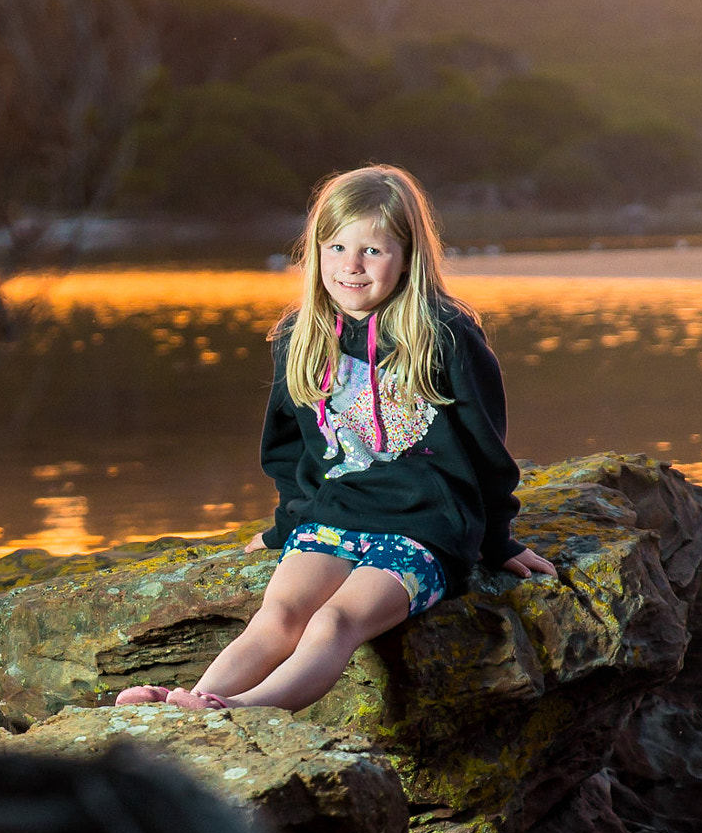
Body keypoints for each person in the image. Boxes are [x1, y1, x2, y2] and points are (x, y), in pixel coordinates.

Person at [118, 165, 554, 712]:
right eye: (337, 246)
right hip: (336, 513)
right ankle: (201, 700)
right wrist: (286, 525)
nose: (351, 265)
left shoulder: (444, 334)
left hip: (427, 527)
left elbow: (486, 448)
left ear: (409, 254)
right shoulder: (300, 336)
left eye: (373, 250)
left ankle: (246, 711)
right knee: (278, 616)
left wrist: (499, 541)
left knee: (335, 620)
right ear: (315, 251)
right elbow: (288, 450)